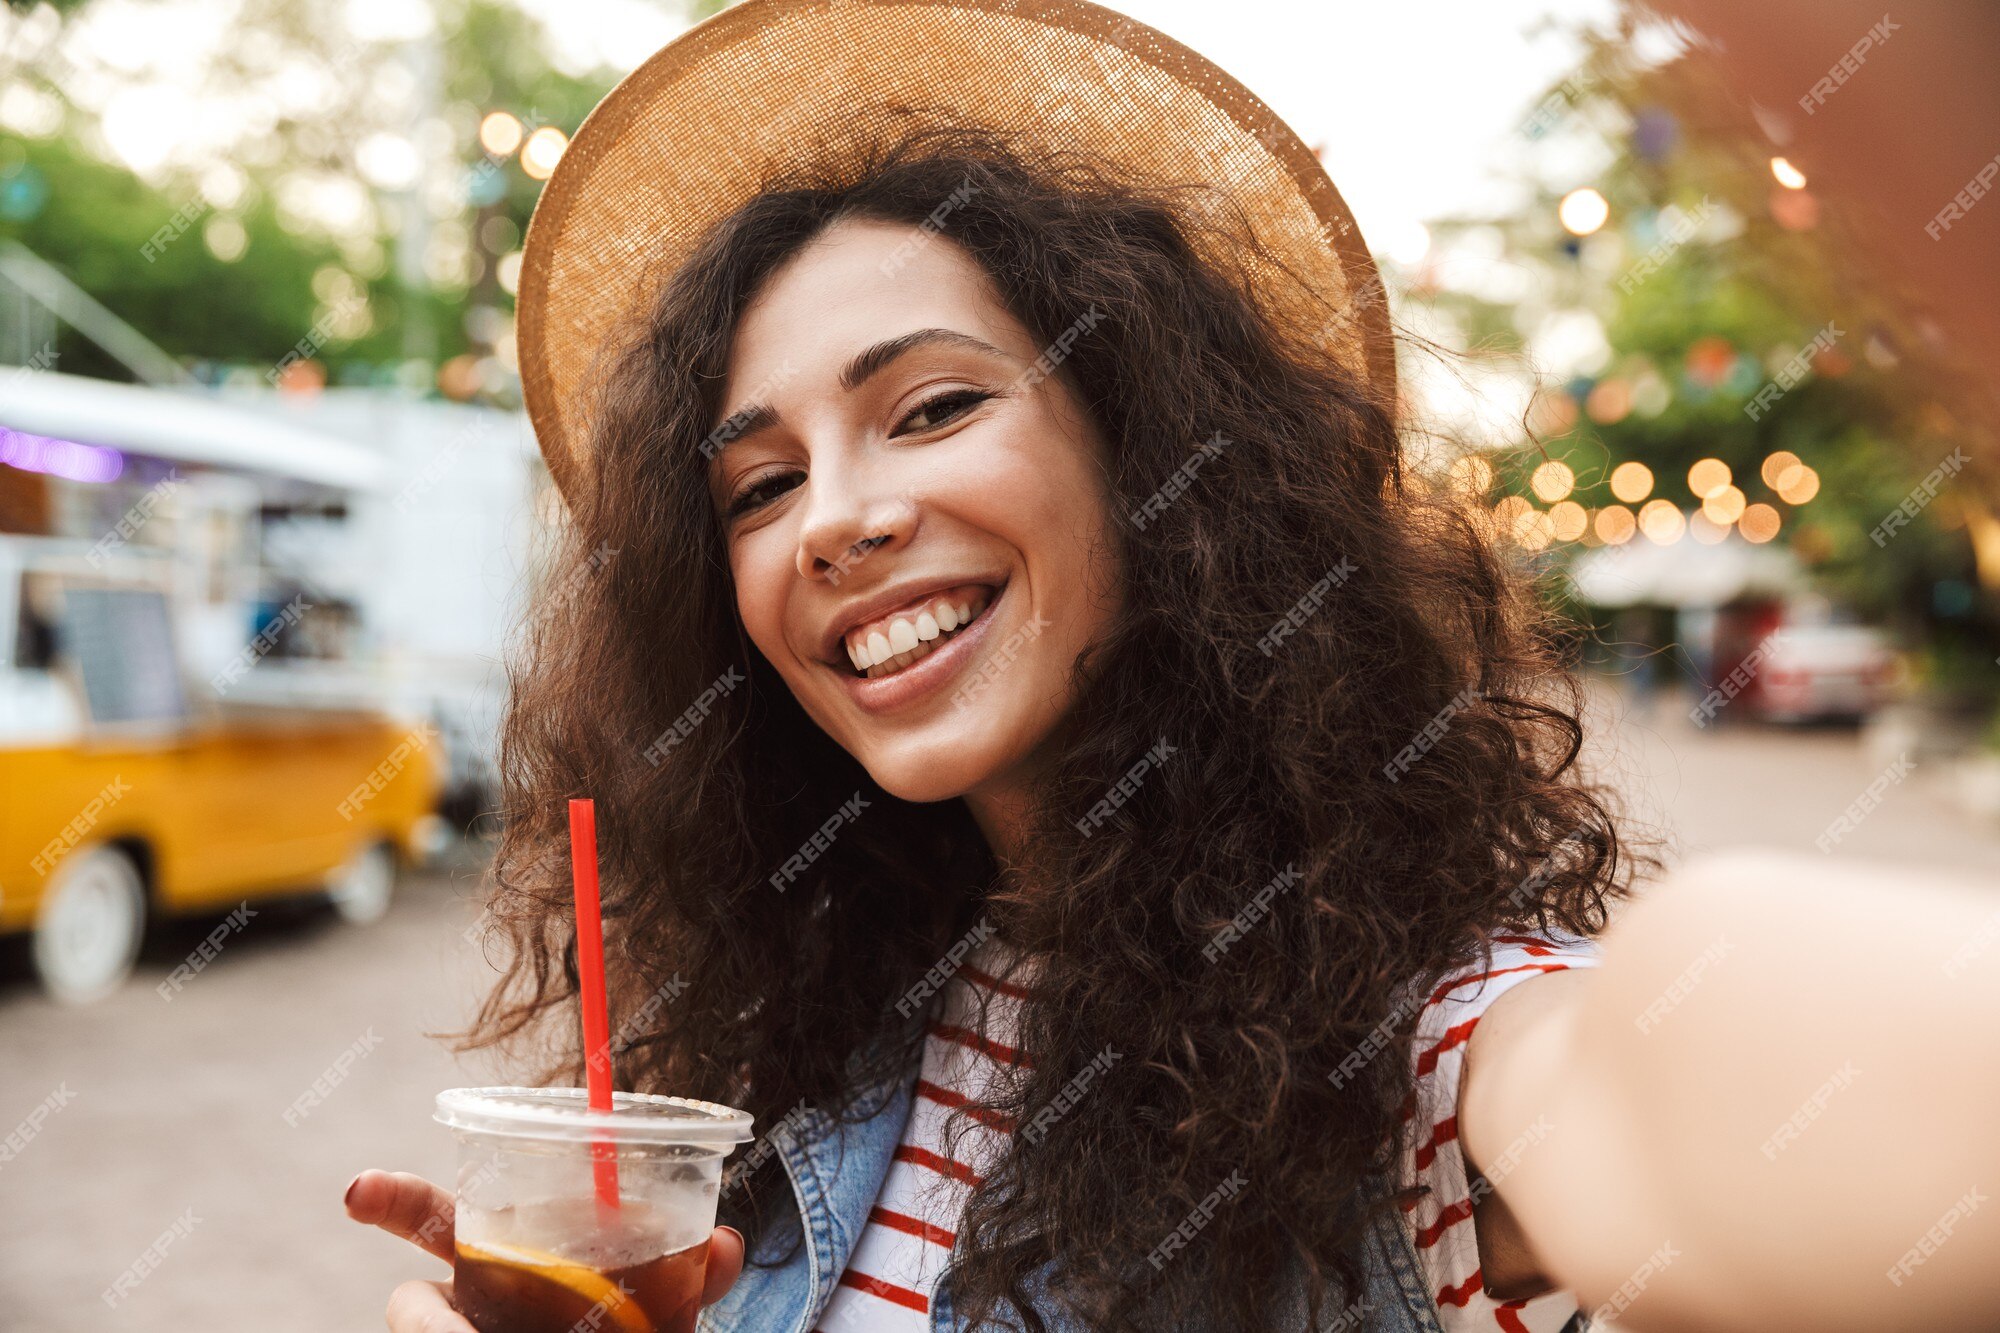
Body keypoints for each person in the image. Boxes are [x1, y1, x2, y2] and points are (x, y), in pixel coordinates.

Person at [345, 3, 2000, 1330]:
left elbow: (1675, 1081)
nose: (835, 519)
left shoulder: (1414, 1071)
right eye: (760, 486)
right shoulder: (809, 1057)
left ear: (1153, 465)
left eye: (931, 407)